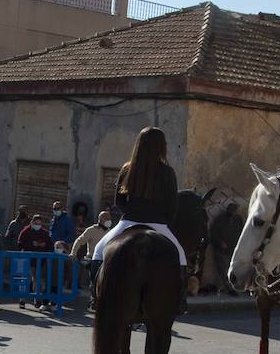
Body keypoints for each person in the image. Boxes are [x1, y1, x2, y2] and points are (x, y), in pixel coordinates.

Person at [92, 127, 186, 267]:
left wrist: (133, 213)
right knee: (181, 258)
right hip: (158, 223)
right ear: (161, 146)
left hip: (129, 221)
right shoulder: (168, 172)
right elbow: (172, 206)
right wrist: (163, 221)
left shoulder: (127, 169)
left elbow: (119, 202)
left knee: (98, 252)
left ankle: (95, 288)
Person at [71, 210, 113, 307]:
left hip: (107, 260)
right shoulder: (91, 230)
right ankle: (94, 300)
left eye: (110, 218)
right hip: (94, 260)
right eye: (107, 218)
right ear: (101, 219)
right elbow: (79, 241)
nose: (109, 220)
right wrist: (73, 252)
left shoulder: (110, 232)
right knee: (94, 281)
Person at [18, 213, 54, 310]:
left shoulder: (45, 233)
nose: (38, 225)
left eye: (39, 223)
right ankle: (22, 299)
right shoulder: (25, 231)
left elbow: (50, 246)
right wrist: (31, 244)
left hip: (40, 261)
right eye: (36, 223)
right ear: (32, 222)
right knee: (25, 279)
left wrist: (43, 245)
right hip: (27, 260)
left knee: (37, 281)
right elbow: (19, 243)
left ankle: (37, 299)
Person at [209, 202, 244, 295]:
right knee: (224, 269)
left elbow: (242, 232)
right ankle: (228, 288)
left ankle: (233, 287)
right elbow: (214, 232)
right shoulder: (220, 219)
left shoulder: (238, 219)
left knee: (233, 269)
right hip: (221, 250)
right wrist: (220, 242)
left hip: (234, 249)